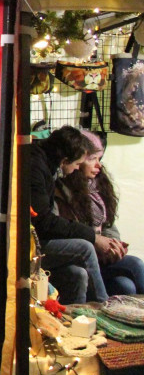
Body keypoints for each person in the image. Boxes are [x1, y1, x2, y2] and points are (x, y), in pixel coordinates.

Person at [27, 125, 109, 304]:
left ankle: (79, 318)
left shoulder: (44, 165)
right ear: (64, 160)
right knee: (85, 248)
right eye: (78, 164)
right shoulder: (37, 169)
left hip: (40, 239)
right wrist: (93, 237)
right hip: (29, 246)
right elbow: (44, 222)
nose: (77, 169)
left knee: (77, 274)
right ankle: (104, 306)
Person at [56, 129, 144, 295]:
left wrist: (114, 245)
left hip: (104, 257)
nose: (99, 165)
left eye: (100, 158)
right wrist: (100, 245)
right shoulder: (63, 191)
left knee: (125, 285)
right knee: (136, 266)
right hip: (85, 258)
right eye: (93, 159)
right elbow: (68, 232)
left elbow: (109, 224)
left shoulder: (99, 186)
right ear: (79, 160)